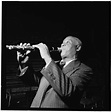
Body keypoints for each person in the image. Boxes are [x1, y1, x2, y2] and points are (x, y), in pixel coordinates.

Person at [17, 36, 93, 109]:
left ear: (77, 47)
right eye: (62, 43)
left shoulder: (84, 70)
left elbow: (68, 91)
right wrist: (23, 64)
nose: (62, 44)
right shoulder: (54, 65)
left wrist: (47, 57)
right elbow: (34, 80)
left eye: (67, 42)